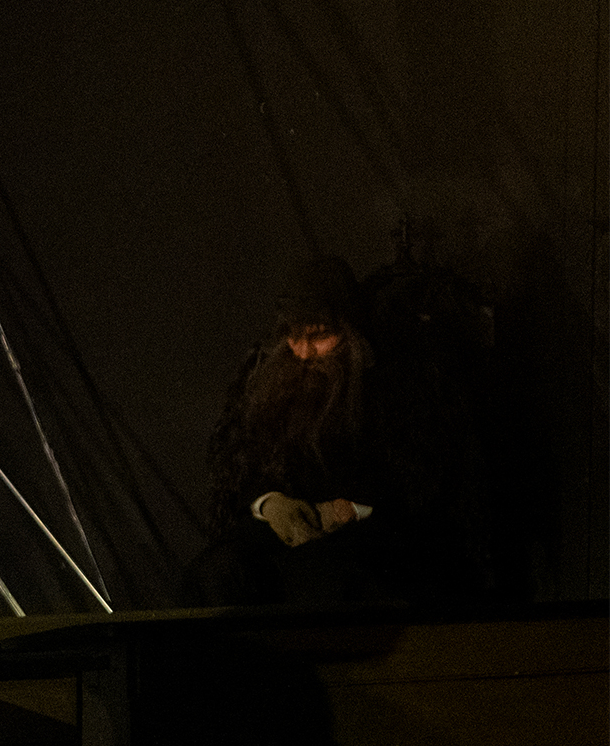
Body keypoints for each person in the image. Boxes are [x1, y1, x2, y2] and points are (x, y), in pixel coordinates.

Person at [184, 255, 477, 606]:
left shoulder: (395, 394)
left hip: (367, 549)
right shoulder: (268, 384)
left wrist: (350, 509)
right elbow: (244, 467)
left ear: (349, 331)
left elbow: (416, 493)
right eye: (294, 337)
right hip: (282, 544)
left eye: (319, 336)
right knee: (216, 574)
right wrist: (268, 503)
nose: (304, 353)